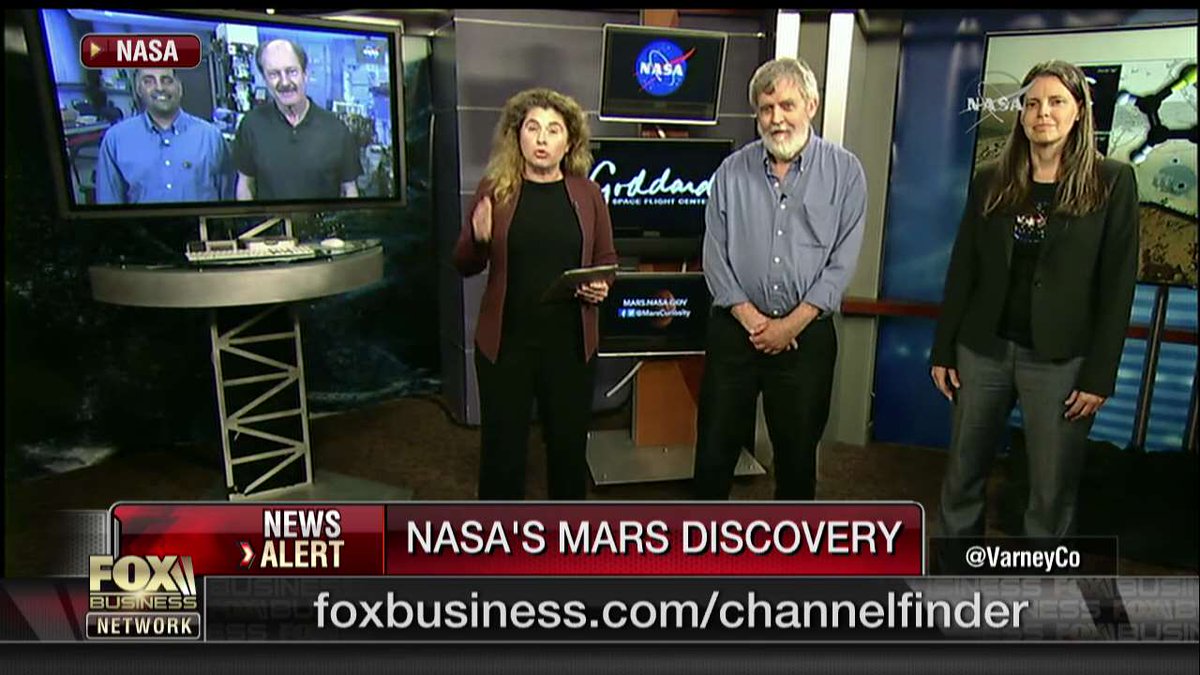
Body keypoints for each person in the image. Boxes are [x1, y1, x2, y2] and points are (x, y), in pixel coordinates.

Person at [931, 60, 1139, 545]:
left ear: (1079, 111)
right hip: (983, 350)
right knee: (961, 476)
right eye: (1032, 103)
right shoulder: (990, 180)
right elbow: (963, 270)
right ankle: (954, 578)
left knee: (1050, 492)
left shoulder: (1112, 182)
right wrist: (943, 349)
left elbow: (1117, 288)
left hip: (1061, 360)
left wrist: (1099, 375)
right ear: (1022, 114)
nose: (1043, 112)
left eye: (1056, 102)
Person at [693, 57, 868, 500]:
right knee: (713, 453)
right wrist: (754, 321)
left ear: (811, 105)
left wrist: (790, 325)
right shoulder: (730, 172)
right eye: (766, 108)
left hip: (806, 338)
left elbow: (842, 262)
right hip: (735, 333)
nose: (776, 118)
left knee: (796, 460)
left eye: (787, 105)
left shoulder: (846, 173)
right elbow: (715, 256)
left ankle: (787, 543)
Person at [453, 88, 618, 500]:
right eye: (533, 128)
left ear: (570, 141)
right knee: (503, 455)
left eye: (553, 130)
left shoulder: (588, 194)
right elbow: (464, 263)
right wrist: (479, 238)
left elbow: (606, 258)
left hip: (570, 346)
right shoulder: (496, 189)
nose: (542, 139)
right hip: (506, 345)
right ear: (517, 135)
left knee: (567, 452)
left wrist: (601, 285)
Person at [233, 39, 361, 201]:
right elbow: (245, 186)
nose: (285, 82)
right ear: (264, 80)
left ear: (305, 74)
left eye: (292, 72)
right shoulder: (251, 125)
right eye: (274, 74)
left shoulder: (336, 130)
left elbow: (349, 190)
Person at [95, 68, 233, 204]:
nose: (160, 88)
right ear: (139, 89)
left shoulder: (211, 137)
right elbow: (109, 203)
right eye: (149, 81)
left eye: (167, 80)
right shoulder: (116, 140)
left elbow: (229, 199)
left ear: (179, 87)